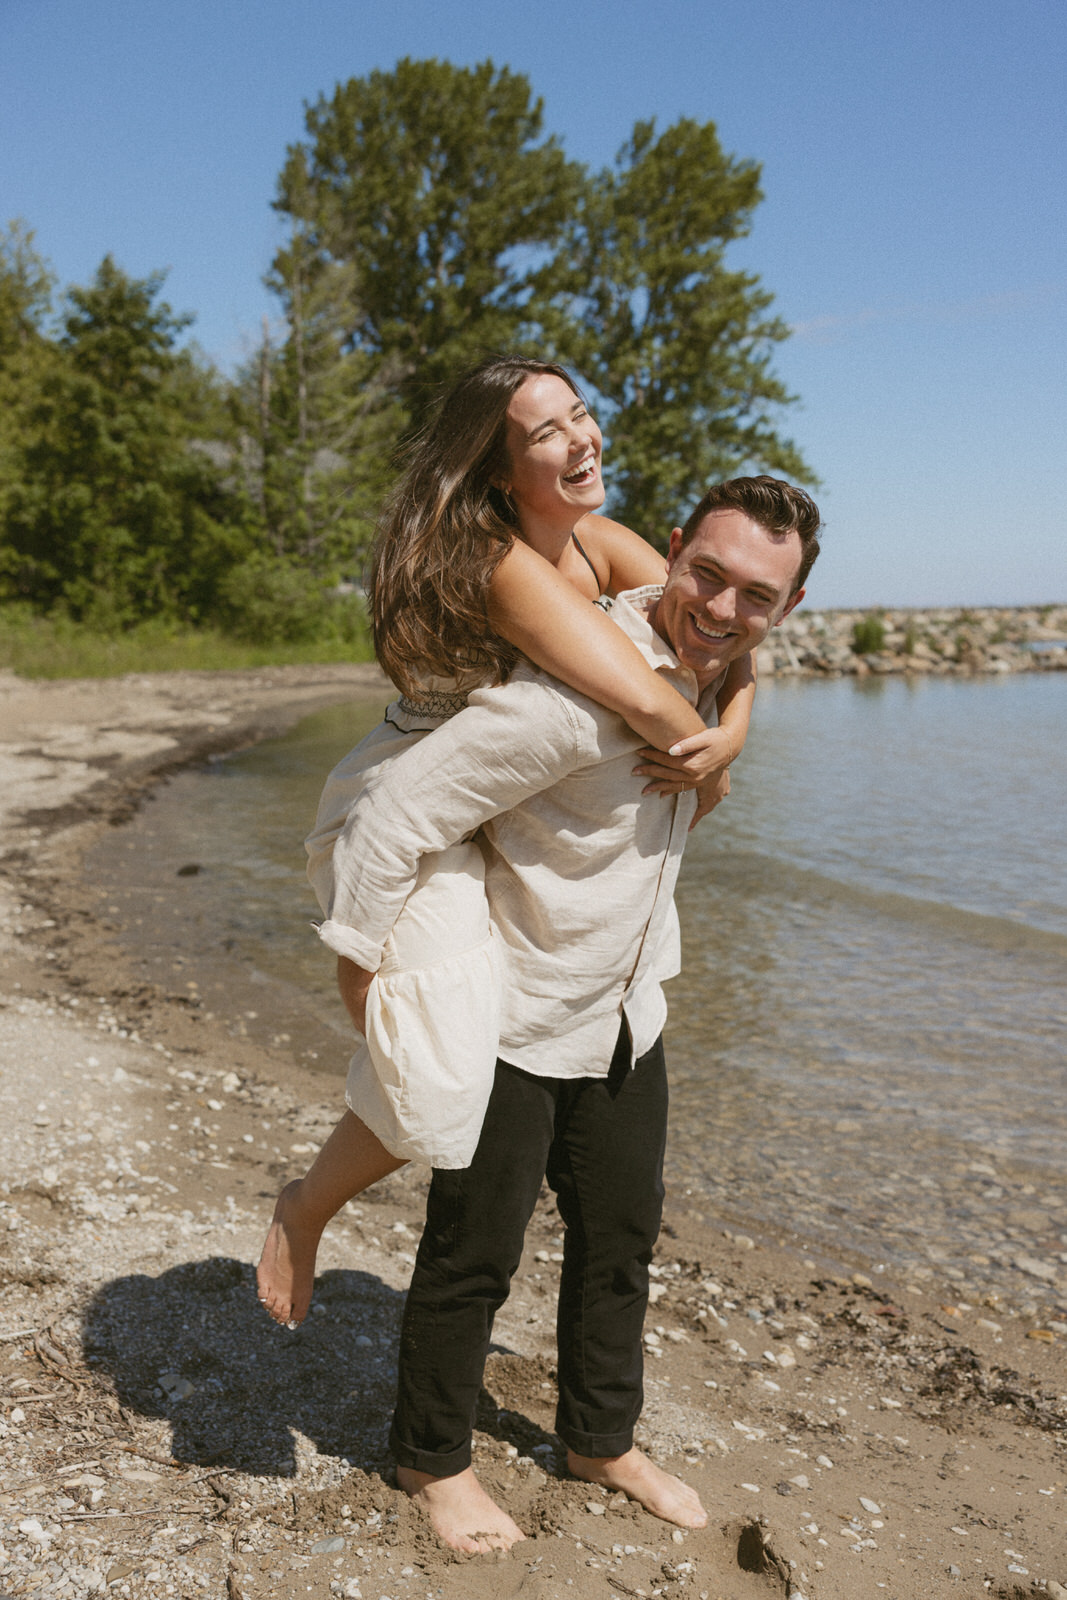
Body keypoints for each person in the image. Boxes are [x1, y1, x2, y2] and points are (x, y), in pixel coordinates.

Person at [318, 475, 820, 1552]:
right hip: (516, 1015)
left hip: (627, 1013)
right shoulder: (566, 694)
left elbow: (727, 655)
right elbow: (394, 816)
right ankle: (431, 1459)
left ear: (783, 610)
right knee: (472, 1256)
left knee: (620, 1240)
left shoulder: (709, 668)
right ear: (671, 553)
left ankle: (598, 1438)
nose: (724, 608)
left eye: (757, 597)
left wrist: (731, 727)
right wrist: (359, 975)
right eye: (708, 575)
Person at [257, 357, 756, 1327]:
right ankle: (303, 1206)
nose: (580, 439)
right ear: (496, 472)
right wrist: (354, 956)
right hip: (402, 807)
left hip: (482, 803)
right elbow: (650, 698)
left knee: (460, 1053)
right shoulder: (504, 568)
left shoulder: (595, 542)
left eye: (580, 413)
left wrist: (732, 729)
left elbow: (723, 625)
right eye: (545, 434)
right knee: (444, 1059)